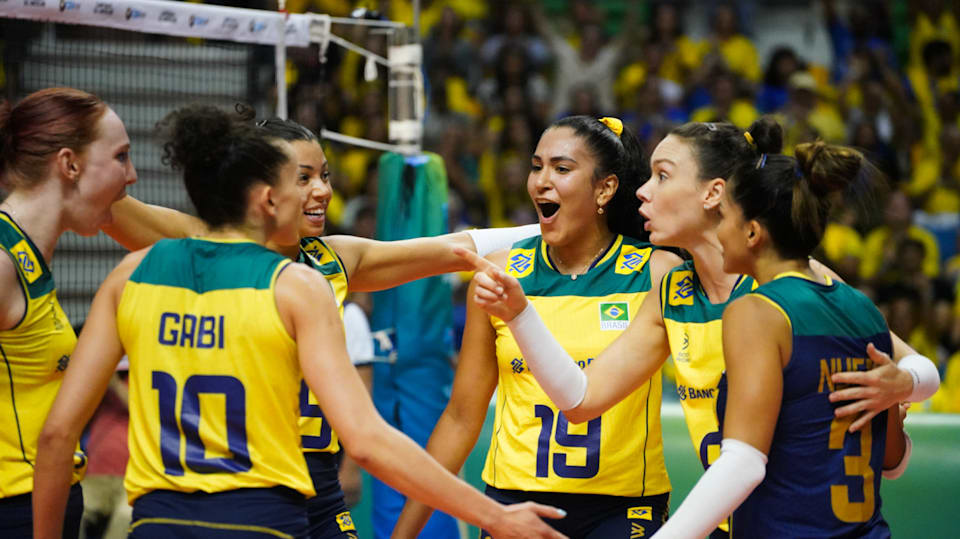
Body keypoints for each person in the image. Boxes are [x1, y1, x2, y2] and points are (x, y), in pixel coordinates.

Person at [31, 104, 567, 539]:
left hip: (232, 498)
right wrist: (491, 515)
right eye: (302, 177)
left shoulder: (145, 273)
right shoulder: (255, 271)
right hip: (265, 494)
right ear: (264, 194)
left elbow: (452, 248)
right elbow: (367, 437)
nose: (320, 191)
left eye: (325, 176)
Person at [456, 119, 940, 537]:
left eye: (662, 176)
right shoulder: (674, 291)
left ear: (713, 193)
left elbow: (906, 400)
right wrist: (519, 313)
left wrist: (907, 383)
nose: (641, 190)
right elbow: (580, 400)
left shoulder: (788, 284)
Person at [394, 116, 684, 539]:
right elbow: (461, 417)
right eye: (536, 166)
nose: (541, 182)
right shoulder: (500, 271)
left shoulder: (656, 273)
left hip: (623, 509)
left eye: (562, 169)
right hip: (514, 505)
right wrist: (404, 534)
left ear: (605, 188)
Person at [652, 143, 912, 538]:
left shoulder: (756, 311)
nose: (719, 231)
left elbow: (743, 461)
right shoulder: (863, 309)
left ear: (753, 232)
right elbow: (894, 460)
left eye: (724, 218)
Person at [0, 87, 138, 538]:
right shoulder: (2, 262)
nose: (132, 175)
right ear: (69, 164)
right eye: (120, 157)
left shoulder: (26, 255)